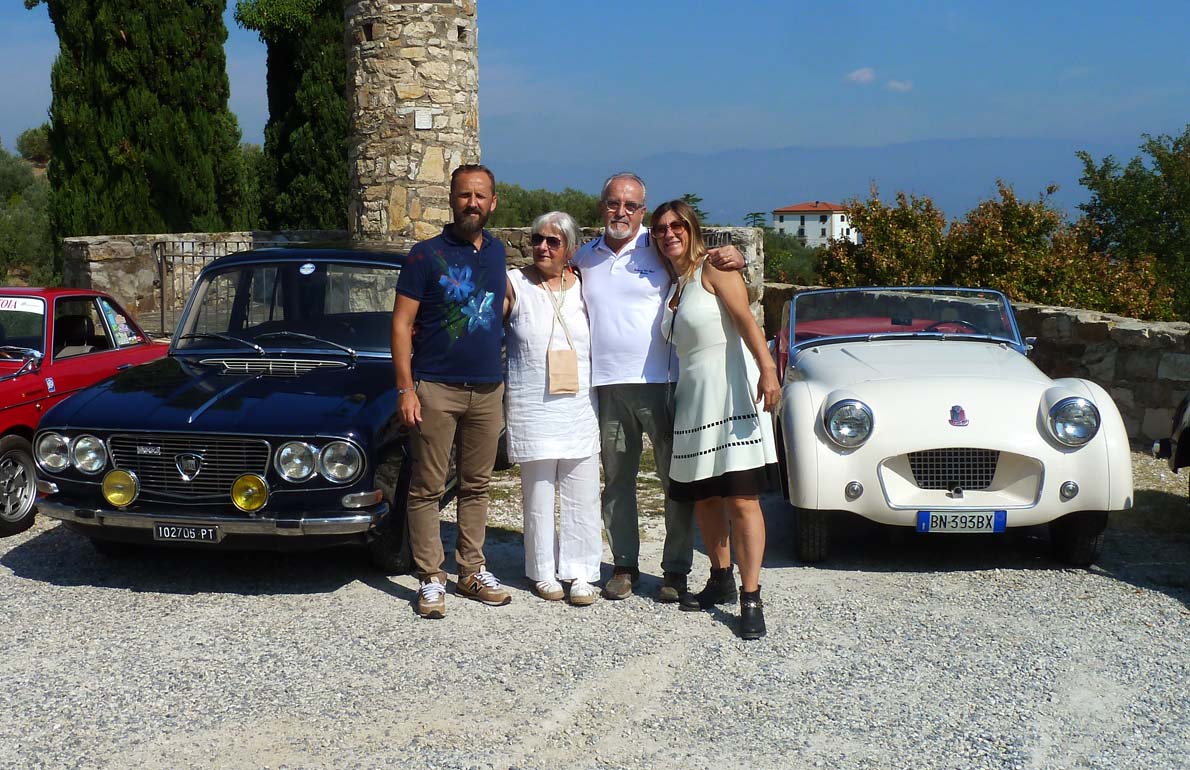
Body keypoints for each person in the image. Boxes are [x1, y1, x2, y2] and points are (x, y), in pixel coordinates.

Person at [571, 172, 745, 602]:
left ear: (642, 211)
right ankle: (624, 566)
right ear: (602, 206)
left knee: (675, 483)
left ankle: (675, 571)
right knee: (617, 481)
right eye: (614, 203)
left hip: (662, 383)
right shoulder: (584, 257)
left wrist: (736, 256)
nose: (621, 212)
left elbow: (701, 260)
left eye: (631, 205)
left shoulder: (658, 245)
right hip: (608, 386)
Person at [653, 199, 780, 640]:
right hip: (694, 400)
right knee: (705, 498)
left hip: (731, 393)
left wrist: (767, 369)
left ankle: (751, 596)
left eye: (677, 226)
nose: (669, 234)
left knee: (742, 499)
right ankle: (720, 577)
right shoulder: (675, 285)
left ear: (692, 229)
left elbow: (745, 320)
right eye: (660, 228)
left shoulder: (714, 268)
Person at [391, 163, 510, 619]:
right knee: (427, 487)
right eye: (464, 195)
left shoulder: (497, 253)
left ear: (493, 202)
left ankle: (471, 570)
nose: (472, 203)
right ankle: (430, 577)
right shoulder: (425, 255)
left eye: (480, 196)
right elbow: (401, 325)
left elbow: (505, 300)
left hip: (487, 389)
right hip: (436, 387)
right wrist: (406, 389)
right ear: (451, 199)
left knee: (477, 485)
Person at [502, 212, 601, 606]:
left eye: (553, 241)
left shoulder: (584, 288)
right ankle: (543, 570)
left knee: (583, 490)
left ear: (570, 249)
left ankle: (580, 571)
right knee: (538, 493)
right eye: (537, 239)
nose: (542, 247)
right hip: (534, 405)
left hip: (579, 405)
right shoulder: (515, 283)